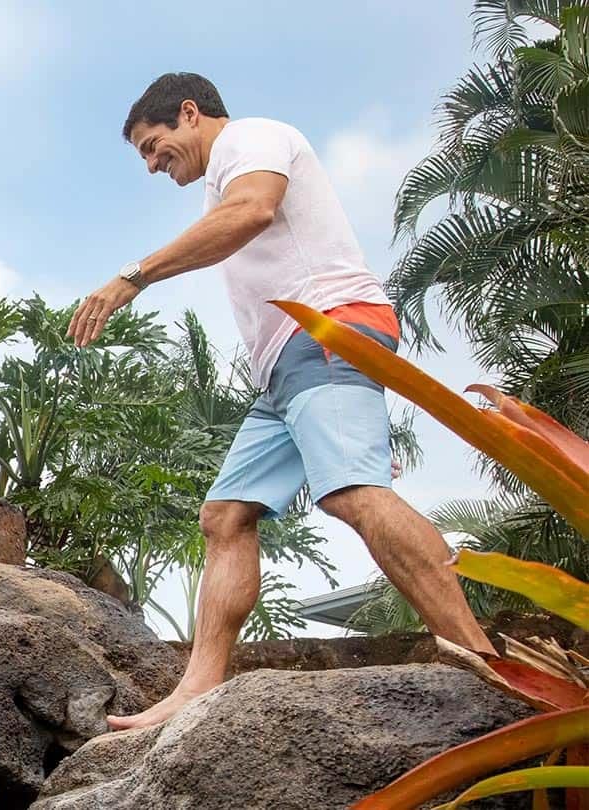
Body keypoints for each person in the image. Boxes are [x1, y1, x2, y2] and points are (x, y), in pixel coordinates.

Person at [69, 72, 498, 731]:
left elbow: (254, 211)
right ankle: (198, 689)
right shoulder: (222, 176)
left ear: (190, 113)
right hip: (286, 369)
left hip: (329, 331)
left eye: (154, 146)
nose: (154, 165)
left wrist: (133, 277)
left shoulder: (254, 138)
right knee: (224, 516)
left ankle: (483, 663)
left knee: (352, 492)